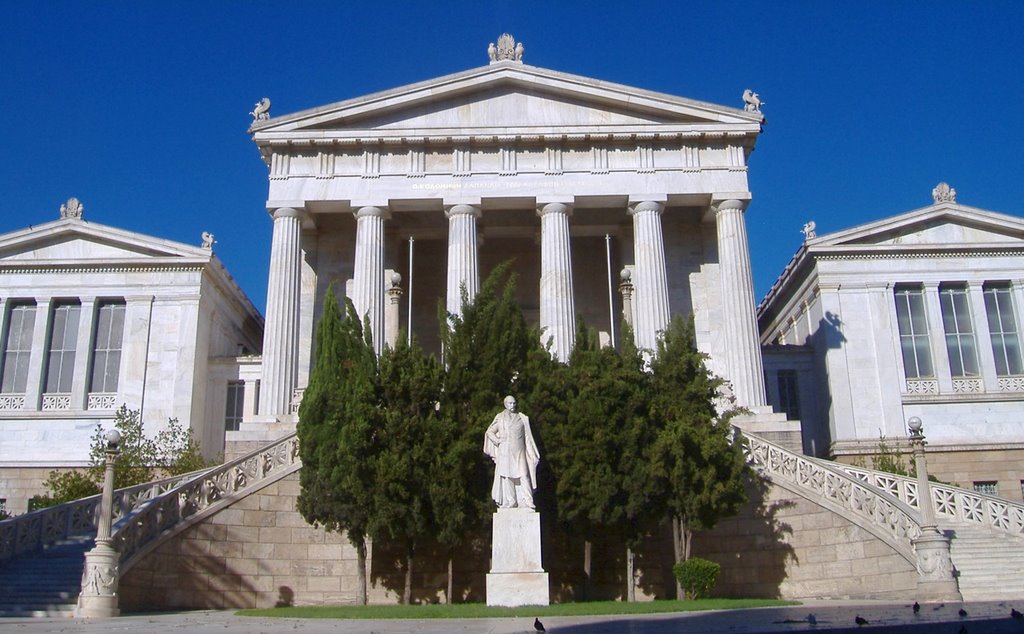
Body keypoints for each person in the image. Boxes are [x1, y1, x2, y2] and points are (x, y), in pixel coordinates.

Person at [483, 395, 540, 509]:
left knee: (524, 475)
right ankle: (511, 501)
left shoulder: (522, 418)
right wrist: (498, 441)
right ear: (505, 404)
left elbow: (527, 438)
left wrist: (532, 453)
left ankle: (528, 500)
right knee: (507, 476)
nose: (512, 405)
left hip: (520, 452)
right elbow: (490, 432)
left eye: (514, 403)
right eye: (510, 403)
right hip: (505, 451)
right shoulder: (500, 418)